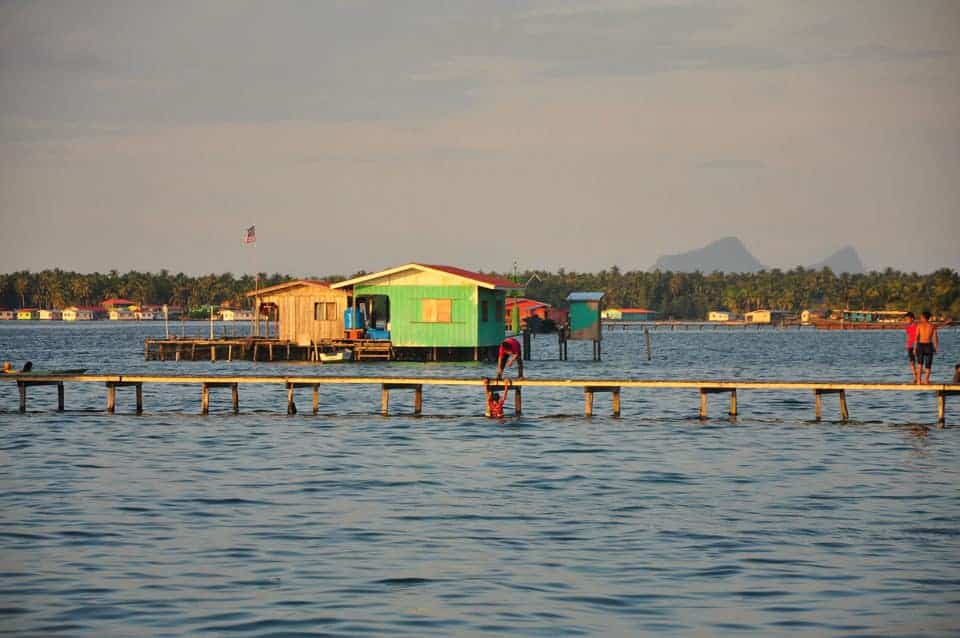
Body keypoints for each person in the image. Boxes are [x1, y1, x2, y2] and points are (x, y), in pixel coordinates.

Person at [913, 311, 938, 384]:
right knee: (928, 365)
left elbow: (916, 337)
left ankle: (918, 380)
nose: (920, 318)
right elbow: (935, 338)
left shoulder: (919, 325)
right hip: (929, 345)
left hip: (920, 345)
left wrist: (914, 348)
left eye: (921, 317)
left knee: (920, 364)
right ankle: (926, 380)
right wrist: (936, 347)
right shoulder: (932, 326)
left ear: (924, 317)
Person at [904, 312, 919, 383]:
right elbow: (908, 336)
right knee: (912, 362)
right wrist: (907, 345)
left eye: (907, 319)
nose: (906, 320)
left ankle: (919, 377)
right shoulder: (907, 327)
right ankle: (915, 377)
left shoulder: (918, 326)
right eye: (906, 319)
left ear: (912, 318)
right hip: (910, 346)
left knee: (920, 362)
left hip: (918, 345)